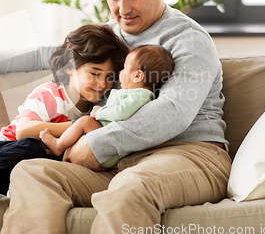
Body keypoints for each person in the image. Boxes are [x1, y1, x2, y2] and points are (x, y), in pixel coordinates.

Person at [0, 0, 232, 234]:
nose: (123, 9)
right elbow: (52, 53)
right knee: (31, 172)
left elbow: (172, 112)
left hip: (189, 155)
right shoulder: (113, 36)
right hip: (117, 162)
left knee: (130, 187)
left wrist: (99, 142)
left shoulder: (189, 40)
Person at [0, 23, 129, 204]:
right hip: (3, 152)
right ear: (70, 67)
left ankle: (16, 188)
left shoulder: (96, 107)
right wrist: (76, 126)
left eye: (109, 77)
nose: (103, 84)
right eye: (94, 74)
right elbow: (23, 131)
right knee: (33, 146)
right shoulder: (50, 93)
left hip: (34, 166)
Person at [39, 44, 174, 169]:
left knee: (84, 121)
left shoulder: (141, 95)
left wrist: (99, 112)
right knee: (74, 140)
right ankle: (63, 163)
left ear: (138, 76)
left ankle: (58, 145)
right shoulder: (135, 94)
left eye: (125, 67)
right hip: (104, 137)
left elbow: (121, 112)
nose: (120, 72)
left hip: (107, 145)